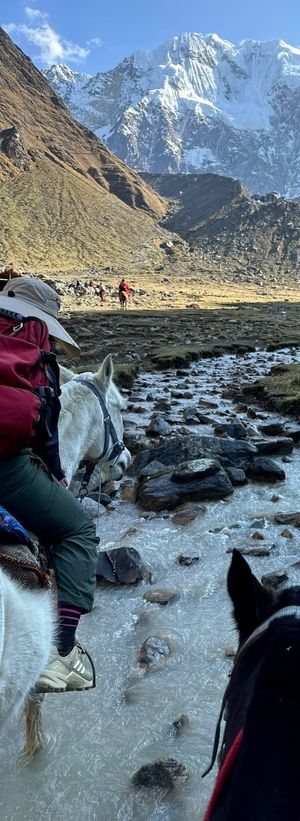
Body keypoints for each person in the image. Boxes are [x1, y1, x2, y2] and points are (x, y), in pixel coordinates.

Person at [0, 277, 97, 691]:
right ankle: (59, 654)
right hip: (6, 467)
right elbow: (43, 429)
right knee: (79, 530)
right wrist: (55, 473)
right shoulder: (33, 343)